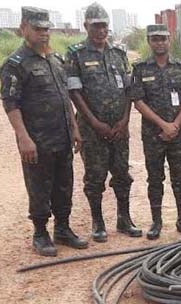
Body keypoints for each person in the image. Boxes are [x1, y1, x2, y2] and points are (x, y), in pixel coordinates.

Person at [0, 6, 88, 257]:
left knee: (64, 184)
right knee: (39, 186)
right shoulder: (15, 64)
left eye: (46, 29)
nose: (43, 34)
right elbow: (11, 103)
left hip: (62, 136)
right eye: (37, 29)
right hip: (37, 139)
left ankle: (63, 228)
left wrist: (75, 127)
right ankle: (40, 233)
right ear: (23, 29)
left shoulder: (56, 60)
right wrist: (23, 137)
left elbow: (64, 98)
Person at [65, 2, 141, 243]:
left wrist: (125, 121)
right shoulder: (76, 54)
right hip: (92, 129)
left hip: (119, 128)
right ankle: (98, 223)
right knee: (95, 177)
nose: (100, 31)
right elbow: (75, 93)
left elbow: (129, 90)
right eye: (96, 26)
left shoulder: (118, 54)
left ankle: (124, 218)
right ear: (86, 26)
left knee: (122, 174)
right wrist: (95, 123)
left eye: (104, 26)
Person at [127, 24, 181, 239]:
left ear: (169, 40)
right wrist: (163, 125)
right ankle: (156, 222)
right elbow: (138, 101)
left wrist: (174, 124)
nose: (159, 43)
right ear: (149, 41)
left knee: (180, 178)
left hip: (178, 132)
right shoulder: (140, 68)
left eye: (163, 39)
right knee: (155, 178)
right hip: (153, 134)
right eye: (155, 39)